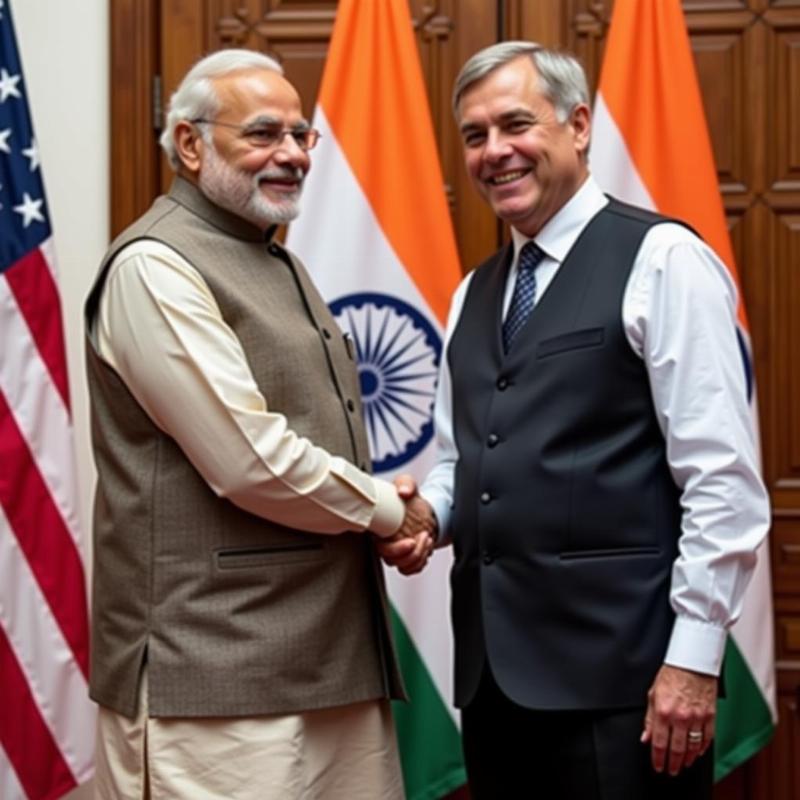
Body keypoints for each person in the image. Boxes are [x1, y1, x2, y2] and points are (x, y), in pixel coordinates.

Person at [378, 41, 770, 799]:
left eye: (515, 124)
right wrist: (430, 513)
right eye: (474, 135)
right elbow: (470, 457)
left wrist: (692, 659)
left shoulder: (662, 260)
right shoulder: (473, 293)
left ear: (580, 124)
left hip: (627, 690)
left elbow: (721, 481)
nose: (495, 152)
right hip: (494, 686)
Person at [84, 49, 433, 800]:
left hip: (327, 658)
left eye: (302, 135)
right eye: (264, 133)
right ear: (189, 143)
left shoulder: (274, 258)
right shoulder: (154, 266)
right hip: (211, 680)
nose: (292, 155)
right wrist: (385, 510)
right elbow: (249, 460)